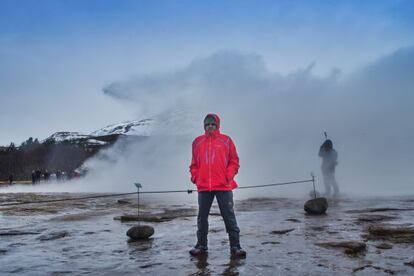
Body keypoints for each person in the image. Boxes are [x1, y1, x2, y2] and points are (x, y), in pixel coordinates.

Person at [189, 114, 246, 258]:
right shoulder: (197, 142)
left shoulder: (226, 140)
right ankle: (201, 245)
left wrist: (228, 176)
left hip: (223, 186)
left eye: (212, 124)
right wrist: (195, 176)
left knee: (229, 216)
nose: (210, 127)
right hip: (203, 187)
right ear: (204, 126)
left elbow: (234, 161)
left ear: (217, 125)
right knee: (202, 218)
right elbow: (194, 164)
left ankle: (235, 246)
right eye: (207, 124)